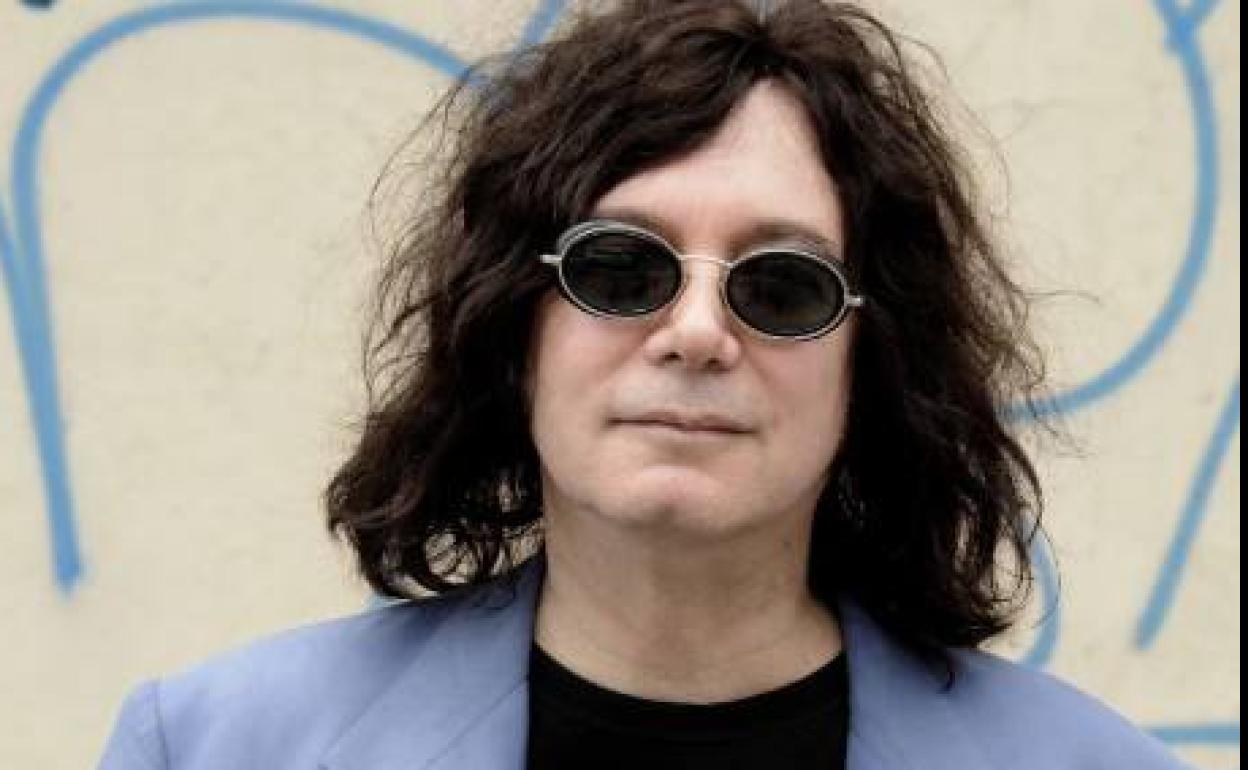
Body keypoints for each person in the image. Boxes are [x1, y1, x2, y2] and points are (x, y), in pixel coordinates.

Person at [98, 1, 1193, 768]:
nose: (698, 332)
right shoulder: (205, 748)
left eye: (782, 285)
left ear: (874, 362)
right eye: (621, 269)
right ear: (514, 327)